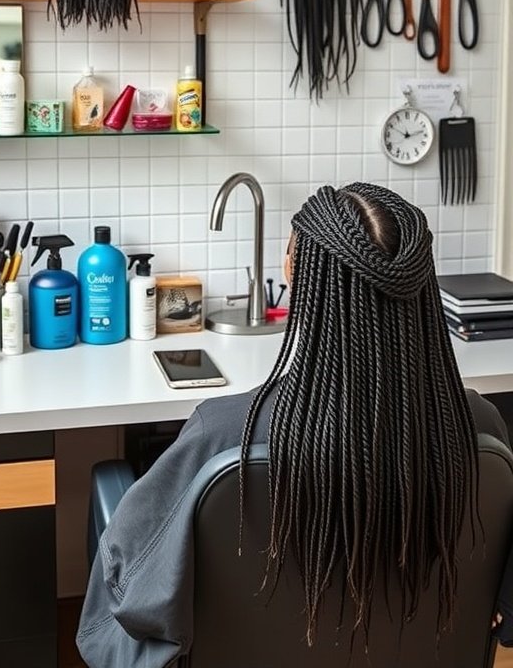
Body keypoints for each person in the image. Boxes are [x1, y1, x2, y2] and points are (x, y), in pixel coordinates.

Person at [77, 182, 511, 668]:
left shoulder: (225, 434)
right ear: (423, 285)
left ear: (294, 277)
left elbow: (133, 583)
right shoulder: (480, 429)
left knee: (110, 490)